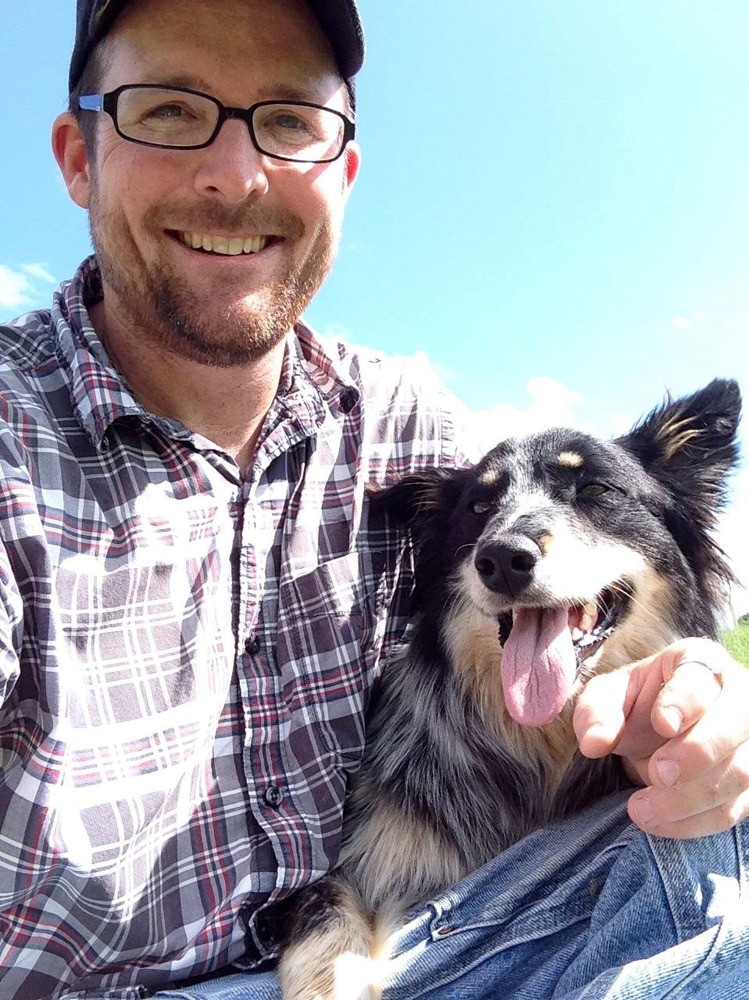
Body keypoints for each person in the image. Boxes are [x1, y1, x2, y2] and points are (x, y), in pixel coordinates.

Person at [0, 1, 747, 997]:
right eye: (169, 112)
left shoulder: (402, 417)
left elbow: (658, 582)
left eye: (288, 120)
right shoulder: (15, 428)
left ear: (342, 171)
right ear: (79, 156)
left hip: (422, 941)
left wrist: (703, 695)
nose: (235, 175)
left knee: (714, 844)